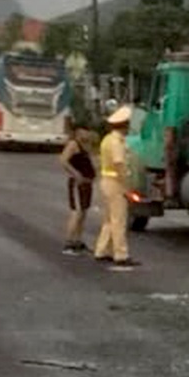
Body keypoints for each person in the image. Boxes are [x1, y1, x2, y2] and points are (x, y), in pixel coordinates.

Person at [93, 106, 139, 270]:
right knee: (119, 219)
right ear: (123, 125)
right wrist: (126, 184)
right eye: (127, 125)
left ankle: (102, 250)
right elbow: (119, 163)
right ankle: (121, 255)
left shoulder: (107, 139)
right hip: (115, 182)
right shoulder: (116, 142)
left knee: (109, 219)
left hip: (106, 181)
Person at [59, 122, 97, 254]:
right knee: (77, 212)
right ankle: (69, 243)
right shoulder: (73, 145)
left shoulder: (86, 146)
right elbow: (63, 160)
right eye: (82, 132)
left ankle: (78, 240)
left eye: (87, 132)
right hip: (78, 183)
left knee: (84, 212)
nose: (85, 135)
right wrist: (76, 174)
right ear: (77, 133)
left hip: (87, 182)